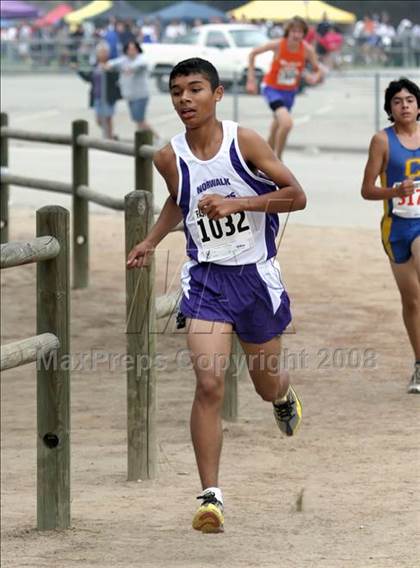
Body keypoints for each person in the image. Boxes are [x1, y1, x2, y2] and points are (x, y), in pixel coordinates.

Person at [127, 58, 307, 533]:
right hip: (206, 279)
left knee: (265, 383)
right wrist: (151, 240)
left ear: (217, 94)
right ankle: (211, 497)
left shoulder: (242, 141)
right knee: (208, 384)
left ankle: (283, 395)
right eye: (176, 91)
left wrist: (238, 202)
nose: (185, 99)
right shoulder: (167, 157)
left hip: (255, 278)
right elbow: (178, 199)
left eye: (195, 89)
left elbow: (296, 195)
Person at [361, 77, 420, 394]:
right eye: (397, 101)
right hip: (395, 227)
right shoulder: (382, 141)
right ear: (389, 109)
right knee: (411, 301)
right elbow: (367, 189)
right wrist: (395, 190)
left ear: (419, 105)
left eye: (410, 99)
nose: (405, 105)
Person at [246, 16, 322, 159]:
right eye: (294, 31)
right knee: (286, 124)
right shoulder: (278, 45)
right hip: (272, 89)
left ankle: (264, 160)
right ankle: (278, 160)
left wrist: (315, 77)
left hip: (290, 92)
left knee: (276, 127)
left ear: (304, 34)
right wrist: (251, 79)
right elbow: (253, 54)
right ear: (288, 32)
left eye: (300, 32)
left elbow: (318, 70)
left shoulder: (307, 50)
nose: (296, 35)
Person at [73, 42, 121, 139]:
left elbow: (116, 78)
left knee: (108, 118)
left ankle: (109, 137)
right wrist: (78, 70)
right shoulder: (95, 65)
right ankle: (109, 134)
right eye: (100, 52)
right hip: (97, 95)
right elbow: (89, 78)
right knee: (99, 119)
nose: (102, 54)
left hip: (108, 96)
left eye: (104, 52)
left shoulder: (112, 64)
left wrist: (108, 70)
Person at [106, 40, 153, 134]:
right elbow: (112, 63)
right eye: (129, 49)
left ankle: (156, 137)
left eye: (134, 49)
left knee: (140, 120)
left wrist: (130, 68)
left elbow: (141, 64)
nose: (131, 51)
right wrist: (108, 66)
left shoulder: (140, 59)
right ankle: (142, 138)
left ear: (137, 50)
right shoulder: (123, 60)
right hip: (130, 96)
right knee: (137, 120)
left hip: (140, 95)